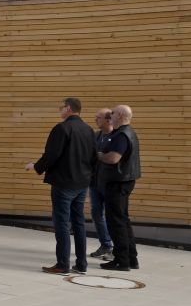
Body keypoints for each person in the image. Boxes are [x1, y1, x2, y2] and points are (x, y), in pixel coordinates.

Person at [27, 97, 96, 276]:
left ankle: (63, 265)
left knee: (62, 224)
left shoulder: (62, 128)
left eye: (61, 107)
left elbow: (51, 154)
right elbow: (93, 158)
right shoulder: (89, 130)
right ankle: (81, 264)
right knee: (79, 223)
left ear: (68, 108)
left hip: (64, 183)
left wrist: (36, 166)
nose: (60, 110)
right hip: (82, 184)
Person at [100, 104, 141, 271]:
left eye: (113, 113)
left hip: (118, 182)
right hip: (125, 180)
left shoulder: (121, 135)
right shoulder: (129, 132)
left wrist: (99, 155)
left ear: (120, 116)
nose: (110, 116)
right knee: (123, 220)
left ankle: (121, 261)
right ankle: (131, 258)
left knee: (116, 222)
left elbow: (113, 158)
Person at [90, 107, 115, 262]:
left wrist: (100, 156)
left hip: (110, 183)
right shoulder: (96, 136)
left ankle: (117, 249)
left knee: (112, 215)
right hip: (95, 181)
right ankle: (105, 244)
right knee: (96, 213)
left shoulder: (117, 136)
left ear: (108, 120)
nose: (95, 120)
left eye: (98, 117)